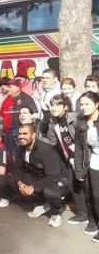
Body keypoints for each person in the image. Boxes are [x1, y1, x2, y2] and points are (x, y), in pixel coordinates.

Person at [1, 124, 69, 227]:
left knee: (49, 191)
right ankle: (43, 203)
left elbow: (53, 177)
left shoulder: (45, 150)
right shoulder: (21, 148)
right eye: (19, 134)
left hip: (60, 180)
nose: (21, 136)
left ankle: (57, 211)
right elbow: (18, 168)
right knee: (11, 180)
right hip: (40, 177)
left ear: (33, 135)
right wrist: (20, 183)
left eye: (25, 134)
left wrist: (34, 187)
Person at [46, 94, 89, 226]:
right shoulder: (53, 122)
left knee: (88, 186)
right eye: (52, 105)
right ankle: (84, 214)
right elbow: (52, 141)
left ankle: (92, 214)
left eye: (58, 105)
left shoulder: (75, 117)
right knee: (73, 184)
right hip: (70, 157)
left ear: (65, 107)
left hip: (84, 156)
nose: (54, 108)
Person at [74, 91, 99, 240]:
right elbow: (79, 148)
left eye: (87, 104)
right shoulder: (81, 122)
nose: (83, 107)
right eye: (81, 104)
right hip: (93, 159)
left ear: (97, 104)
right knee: (92, 194)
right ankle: (94, 222)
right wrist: (79, 170)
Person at [0, 79, 38, 162]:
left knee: (18, 157)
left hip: (20, 134)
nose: (7, 89)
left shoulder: (26, 99)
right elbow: (1, 118)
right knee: (8, 156)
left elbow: (34, 115)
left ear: (17, 88)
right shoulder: (6, 100)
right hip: (7, 134)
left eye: (9, 87)